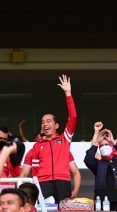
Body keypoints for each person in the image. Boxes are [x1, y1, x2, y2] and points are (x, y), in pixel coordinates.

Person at [20, 75, 77, 204]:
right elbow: (24, 173)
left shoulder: (65, 139)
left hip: (63, 181)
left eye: (49, 121)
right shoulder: (36, 146)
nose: (45, 124)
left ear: (56, 126)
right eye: (43, 122)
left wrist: (68, 93)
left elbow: (73, 117)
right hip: (43, 183)